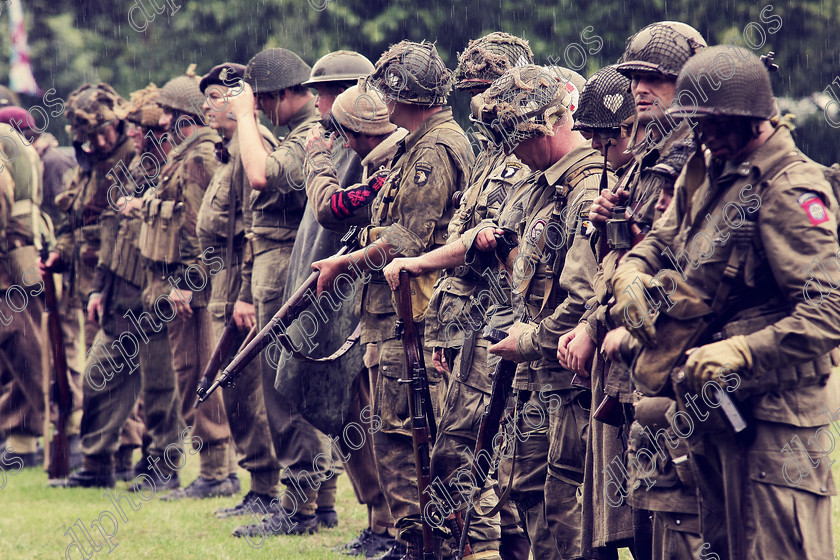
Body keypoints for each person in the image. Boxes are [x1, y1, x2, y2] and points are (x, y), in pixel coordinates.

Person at [612, 45, 840, 560]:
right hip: (713, 407)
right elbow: (660, 241)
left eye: (712, 123)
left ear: (750, 118)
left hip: (775, 422)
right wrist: (631, 274)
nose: (702, 135)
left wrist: (742, 352)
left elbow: (829, 312)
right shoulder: (711, 169)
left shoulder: (790, 189)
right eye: (696, 123)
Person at [312, 40, 473, 558]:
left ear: (407, 96)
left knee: (408, 436)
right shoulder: (415, 142)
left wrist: (344, 260)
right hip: (395, 313)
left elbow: (408, 240)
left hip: (415, 316)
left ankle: (423, 542)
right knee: (393, 431)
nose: (382, 102)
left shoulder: (434, 149)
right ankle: (412, 538)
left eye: (389, 91)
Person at [383, 32, 534, 560]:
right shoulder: (491, 155)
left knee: (484, 458)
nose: (480, 100)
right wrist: (445, 333)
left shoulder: (524, 161)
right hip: (465, 323)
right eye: (471, 88)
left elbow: (484, 245)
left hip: (504, 326)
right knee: (465, 454)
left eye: (489, 86)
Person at [586, 22, 708, 559]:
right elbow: (624, 255)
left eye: (657, 78)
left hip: (675, 352)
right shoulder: (645, 156)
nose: (641, 88)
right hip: (632, 346)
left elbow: (686, 262)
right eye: (636, 76)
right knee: (643, 518)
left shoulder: (693, 155)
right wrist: (606, 223)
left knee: (677, 519)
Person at [226, 47, 330, 536]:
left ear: (291, 94)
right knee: (298, 385)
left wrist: (245, 117)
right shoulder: (307, 131)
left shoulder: (310, 132)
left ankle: (301, 509)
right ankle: (319, 503)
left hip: (287, 268)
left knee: (285, 390)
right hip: (286, 266)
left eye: (267, 99)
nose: (262, 108)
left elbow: (260, 174)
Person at [137, 66, 235, 499]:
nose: (159, 123)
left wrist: (189, 283)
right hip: (187, 286)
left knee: (198, 372)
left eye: (168, 114)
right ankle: (217, 471)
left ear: (184, 117)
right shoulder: (189, 153)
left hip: (193, 291)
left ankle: (216, 473)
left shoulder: (197, 157)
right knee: (191, 372)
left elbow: (201, 230)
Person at [195, 61, 284, 518]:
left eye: (215, 97)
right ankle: (259, 484)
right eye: (207, 97)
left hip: (241, 287)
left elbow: (257, 228)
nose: (207, 105)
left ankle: (268, 486)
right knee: (235, 392)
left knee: (249, 391)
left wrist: (247, 294)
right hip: (224, 285)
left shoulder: (255, 147)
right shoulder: (228, 150)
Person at [40, 83, 137, 486]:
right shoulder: (88, 164)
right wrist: (60, 251)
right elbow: (75, 221)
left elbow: (119, 225)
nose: (99, 141)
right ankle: (104, 459)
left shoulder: (132, 158)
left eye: (104, 132)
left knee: (114, 372)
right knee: (104, 372)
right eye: (90, 136)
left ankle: (120, 456)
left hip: (118, 280)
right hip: (88, 281)